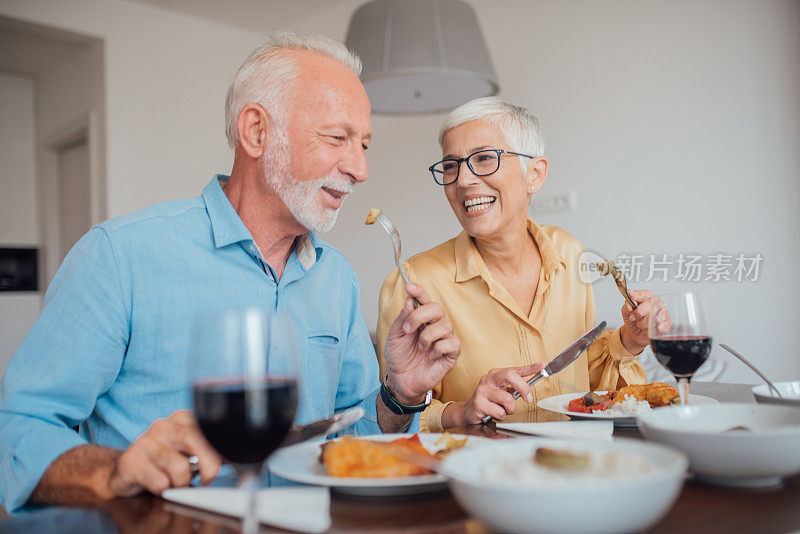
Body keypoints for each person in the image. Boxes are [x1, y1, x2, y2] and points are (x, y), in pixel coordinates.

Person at [0, 32, 459, 512]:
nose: (361, 168)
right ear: (257, 132)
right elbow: (18, 428)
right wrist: (111, 470)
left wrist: (401, 394)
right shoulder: (118, 256)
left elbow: (347, 440)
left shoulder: (336, 278)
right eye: (337, 138)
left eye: (364, 144)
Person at [377, 97, 660, 432]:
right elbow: (391, 425)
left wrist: (630, 341)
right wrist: (462, 411)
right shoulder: (413, 283)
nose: (463, 180)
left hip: (580, 465)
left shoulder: (569, 253)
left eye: (484, 159)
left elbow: (590, 390)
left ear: (535, 174)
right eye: (451, 166)